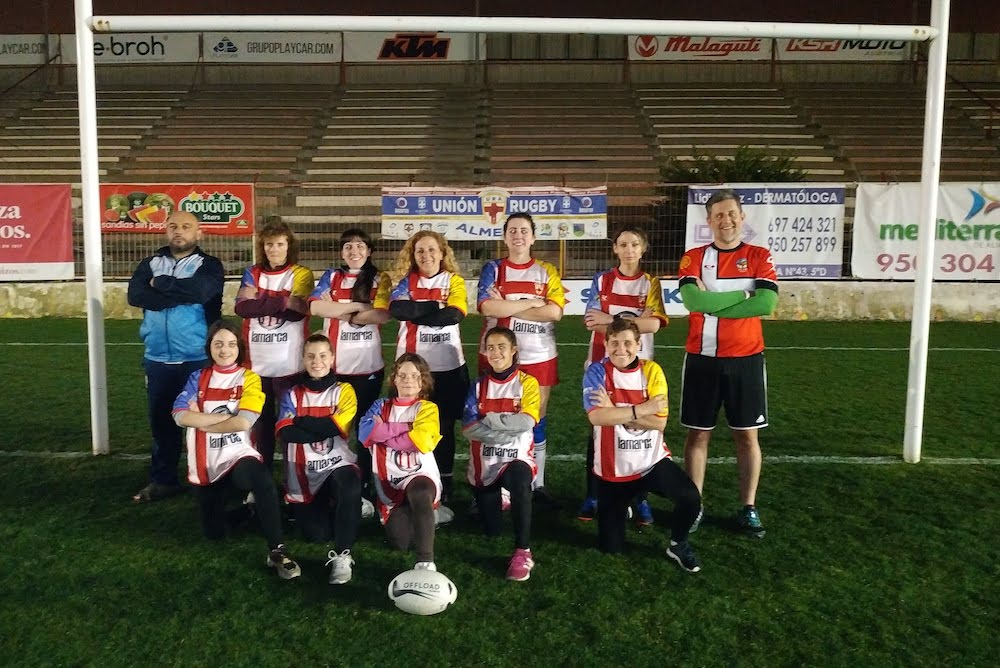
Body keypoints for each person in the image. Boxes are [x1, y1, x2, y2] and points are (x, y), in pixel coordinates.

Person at [678, 188, 779, 539]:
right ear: (709, 220)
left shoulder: (759, 255)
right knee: (698, 434)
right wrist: (744, 295)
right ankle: (694, 505)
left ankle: (748, 507)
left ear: (742, 216)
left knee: (747, 437)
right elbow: (693, 301)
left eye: (731, 213)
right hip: (702, 359)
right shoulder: (693, 257)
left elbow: (765, 305)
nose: (726, 220)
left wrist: (714, 302)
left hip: (746, 359)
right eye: (719, 215)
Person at [172, 320, 300, 580]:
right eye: (218, 344)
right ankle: (250, 511)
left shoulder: (249, 378)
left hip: (237, 454)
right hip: (205, 462)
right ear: (210, 347)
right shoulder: (197, 378)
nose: (225, 350)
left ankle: (277, 550)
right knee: (214, 533)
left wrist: (202, 421)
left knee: (262, 480)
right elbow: (179, 416)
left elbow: (244, 422)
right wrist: (225, 419)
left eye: (231, 344)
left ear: (239, 348)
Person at [583, 318, 702, 572]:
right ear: (606, 344)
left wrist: (615, 410)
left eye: (628, 343)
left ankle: (678, 544)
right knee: (611, 547)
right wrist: (641, 409)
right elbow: (597, 417)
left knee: (691, 498)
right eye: (614, 343)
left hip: (651, 462)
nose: (621, 349)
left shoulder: (652, 371)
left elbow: (659, 423)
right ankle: (623, 506)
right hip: (613, 471)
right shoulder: (596, 372)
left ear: (639, 345)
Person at [128, 211, 224, 503]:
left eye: (186, 226)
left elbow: (201, 291)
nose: (178, 231)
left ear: (199, 233)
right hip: (157, 359)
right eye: (173, 226)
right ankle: (163, 480)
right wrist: (178, 292)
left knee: (207, 422)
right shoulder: (149, 264)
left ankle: (214, 478)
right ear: (165, 231)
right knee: (162, 424)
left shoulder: (209, 265)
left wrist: (160, 284)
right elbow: (136, 296)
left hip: (197, 357)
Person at [578, 226, 668, 524]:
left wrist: (612, 319)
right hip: (601, 364)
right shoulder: (601, 280)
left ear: (643, 249)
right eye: (623, 244)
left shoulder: (650, 283)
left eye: (635, 244)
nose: (629, 250)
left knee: (641, 431)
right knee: (599, 428)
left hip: (640, 368)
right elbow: (592, 322)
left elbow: (654, 324)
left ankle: (640, 498)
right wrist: (634, 320)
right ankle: (593, 495)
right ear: (615, 248)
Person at [477, 213, 564, 507]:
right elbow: (486, 306)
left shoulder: (546, 270)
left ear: (533, 237)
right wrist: (531, 303)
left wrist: (508, 305)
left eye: (524, 230)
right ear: (504, 236)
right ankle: (491, 482)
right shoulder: (493, 269)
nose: (518, 235)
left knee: (535, 418)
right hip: (496, 354)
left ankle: (537, 484)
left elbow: (554, 312)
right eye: (512, 230)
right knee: (493, 415)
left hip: (539, 354)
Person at [309, 228, 391, 513]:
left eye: (360, 247)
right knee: (336, 428)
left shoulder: (380, 278)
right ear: (342, 252)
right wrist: (358, 307)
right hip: (334, 370)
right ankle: (332, 480)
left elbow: (383, 313)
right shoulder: (331, 276)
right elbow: (317, 308)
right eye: (348, 247)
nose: (354, 252)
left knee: (365, 431)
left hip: (368, 369)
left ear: (369, 251)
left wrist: (340, 310)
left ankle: (365, 484)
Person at [387, 230, 468, 507]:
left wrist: (417, 312)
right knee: (408, 425)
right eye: (420, 250)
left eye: (432, 249)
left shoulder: (454, 281)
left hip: (448, 367)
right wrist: (436, 306)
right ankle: (408, 477)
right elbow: (398, 310)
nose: (426, 255)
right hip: (411, 370)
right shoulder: (404, 281)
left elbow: (453, 315)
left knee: (444, 427)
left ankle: (445, 481)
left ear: (442, 253)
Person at [277, 334, 362, 585]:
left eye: (323, 355)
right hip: (302, 470)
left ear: (332, 358)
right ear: (303, 359)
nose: (317, 361)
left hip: (337, 464)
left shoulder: (344, 390)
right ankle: (341, 507)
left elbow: (336, 426)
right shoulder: (291, 394)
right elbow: (287, 433)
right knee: (317, 535)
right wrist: (324, 425)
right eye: (311, 356)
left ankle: (343, 555)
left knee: (349, 485)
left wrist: (300, 420)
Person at [234, 217, 313, 473]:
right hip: (256, 366)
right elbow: (242, 308)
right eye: (269, 244)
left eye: (280, 244)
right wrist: (282, 300)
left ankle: (295, 477)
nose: (274, 249)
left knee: (290, 425)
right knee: (261, 426)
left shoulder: (301, 273)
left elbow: (298, 311)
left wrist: (261, 299)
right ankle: (262, 478)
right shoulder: (252, 272)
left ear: (289, 246)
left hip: (290, 366)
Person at [462, 327, 539, 581]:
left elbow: (527, 422)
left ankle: (523, 551)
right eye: (490, 347)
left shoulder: (527, 383)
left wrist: (491, 419)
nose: (495, 353)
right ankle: (499, 499)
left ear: (514, 350)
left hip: (516, 458)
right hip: (485, 463)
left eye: (501, 347)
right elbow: (469, 428)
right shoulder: (478, 386)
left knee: (520, 481)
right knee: (491, 530)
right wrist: (506, 431)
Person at [359, 353, 443, 572]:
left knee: (420, 491)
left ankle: (426, 562)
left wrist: (383, 432)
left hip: (420, 474)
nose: (408, 380)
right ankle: (424, 514)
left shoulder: (427, 408)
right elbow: (365, 434)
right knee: (402, 543)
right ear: (394, 379)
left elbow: (421, 441)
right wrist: (408, 428)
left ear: (423, 381)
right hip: (389, 481)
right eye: (402, 375)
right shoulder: (380, 405)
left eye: (415, 376)